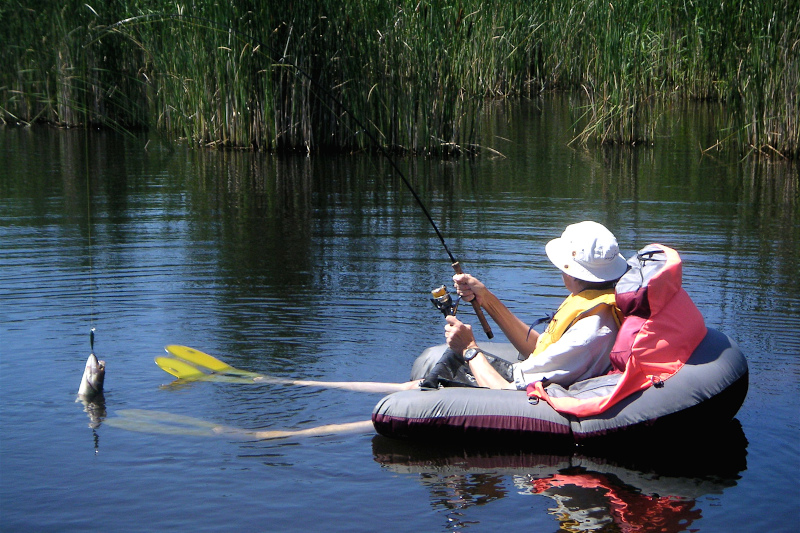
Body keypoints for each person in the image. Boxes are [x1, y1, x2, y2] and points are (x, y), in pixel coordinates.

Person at [427, 220, 629, 390]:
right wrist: (485, 298)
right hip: (523, 382)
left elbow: (503, 394)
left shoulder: (589, 332)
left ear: (571, 271)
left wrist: (468, 348)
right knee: (431, 372)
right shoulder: (594, 304)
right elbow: (538, 349)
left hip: (514, 399)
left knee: (419, 387)